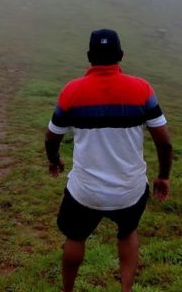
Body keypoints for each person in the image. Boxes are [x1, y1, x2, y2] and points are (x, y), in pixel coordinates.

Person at [45, 28, 173, 292]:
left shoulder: (71, 91)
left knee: (75, 237)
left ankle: (67, 290)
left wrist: (54, 160)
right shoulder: (142, 89)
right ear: (121, 56)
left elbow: (52, 136)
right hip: (129, 191)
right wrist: (163, 175)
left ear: (89, 56)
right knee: (127, 234)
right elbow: (164, 141)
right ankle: (125, 290)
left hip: (85, 192)